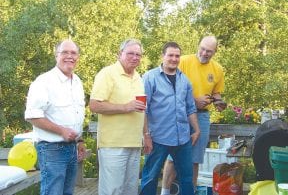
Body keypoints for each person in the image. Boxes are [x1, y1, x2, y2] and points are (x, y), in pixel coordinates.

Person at [160, 35, 226, 195]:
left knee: (195, 159)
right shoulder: (182, 61)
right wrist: (193, 101)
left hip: (202, 116)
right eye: (202, 49)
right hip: (179, 114)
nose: (204, 53)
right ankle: (165, 192)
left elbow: (216, 92)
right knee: (172, 157)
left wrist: (219, 102)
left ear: (215, 52)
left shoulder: (217, 69)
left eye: (209, 51)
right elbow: (167, 86)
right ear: (198, 45)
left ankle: (190, 191)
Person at [25, 39, 86, 195]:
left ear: (78, 57)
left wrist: (80, 140)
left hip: (72, 148)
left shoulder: (77, 81)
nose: (70, 56)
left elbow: (76, 115)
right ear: (56, 55)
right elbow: (32, 116)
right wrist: (61, 131)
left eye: (73, 53)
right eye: (65, 52)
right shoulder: (44, 81)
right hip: (52, 149)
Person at [140, 41, 200, 195]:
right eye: (170, 55)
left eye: (177, 56)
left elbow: (190, 108)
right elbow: (142, 110)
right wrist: (146, 135)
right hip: (158, 138)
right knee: (150, 177)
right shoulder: (149, 78)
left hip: (183, 139)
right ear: (163, 56)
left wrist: (197, 129)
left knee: (187, 178)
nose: (174, 59)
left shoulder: (184, 80)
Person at [89, 39, 146, 195]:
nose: (135, 57)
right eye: (130, 54)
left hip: (134, 143)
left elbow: (142, 111)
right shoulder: (107, 73)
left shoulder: (138, 77)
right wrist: (125, 107)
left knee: (130, 191)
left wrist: (146, 135)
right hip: (113, 145)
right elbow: (94, 105)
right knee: (112, 191)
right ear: (120, 54)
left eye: (138, 55)